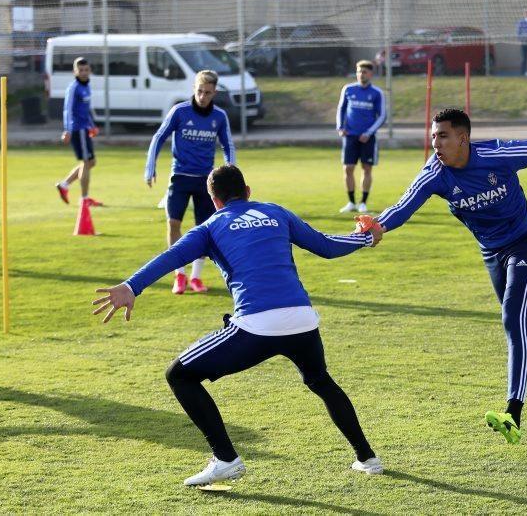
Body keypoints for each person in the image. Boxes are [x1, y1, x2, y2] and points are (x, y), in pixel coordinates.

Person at [92, 164, 385, 486]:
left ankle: (226, 459)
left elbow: (171, 258)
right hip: (302, 318)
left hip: (257, 325)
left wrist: (131, 286)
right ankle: (367, 458)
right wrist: (366, 237)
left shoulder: (210, 226)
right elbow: (326, 246)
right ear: (248, 192)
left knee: (179, 375)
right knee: (320, 381)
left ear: (213, 199)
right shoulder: (276, 212)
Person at [355, 108, 527, 444]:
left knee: (513, 319)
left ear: (462, 138)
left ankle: (512, 414)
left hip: (525, 243)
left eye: (442, 136)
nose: (435, 143)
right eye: (432, 136)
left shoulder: (497, 155)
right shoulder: (434, 174)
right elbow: (404, 206)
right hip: (492, 255)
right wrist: (378, 224)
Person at [145, 70, 236, 294]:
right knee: (173, 223)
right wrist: (150, 167)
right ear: (193, 89)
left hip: (206, 181)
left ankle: (196, 277)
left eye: (207, 92)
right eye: (199, 91)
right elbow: (159, 137)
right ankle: (180, 275)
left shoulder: (219, 117)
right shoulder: (180, 111)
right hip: (180, 177)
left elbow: (228, 145)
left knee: (204, 230)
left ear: (214, 92)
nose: (202, 96)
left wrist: (230, 170)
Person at [336, 60, 386, 214]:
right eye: (358, 71)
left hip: (367, 138)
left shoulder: (377, 93)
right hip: (350, 136)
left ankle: (363, 202)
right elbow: (341, 109)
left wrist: (369, 133)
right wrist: (340, 127)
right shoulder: (348, 89)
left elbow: (382, 115)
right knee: (348, 168)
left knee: (366, 168)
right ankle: (351, 202)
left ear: (370, 74)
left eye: (364, 72)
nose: (361, 74)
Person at [55, 57, 102, 207]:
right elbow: (67, 109)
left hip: (84, 128)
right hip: (77, 129)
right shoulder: (74, 87)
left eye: (86, 70)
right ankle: (84, 198)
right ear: (75, 71)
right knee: (87, 162)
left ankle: (64, 184)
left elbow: (86, 110)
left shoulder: (87, 86)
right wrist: (67, 130)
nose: (83, 73)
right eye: (80, 70)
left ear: (90, 71)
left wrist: (92, 125)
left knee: (90, 162)